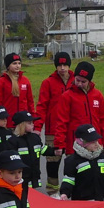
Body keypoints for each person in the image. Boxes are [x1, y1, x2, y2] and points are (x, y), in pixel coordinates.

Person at [54, 62, 104, 157]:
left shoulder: (97, 95)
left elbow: (103, 122)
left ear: (89, 81)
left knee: (97, 171)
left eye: (83, 82)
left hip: (95, 145)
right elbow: (61, 122)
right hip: (75, 145)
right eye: (77, 80)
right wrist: (59, 144)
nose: (79, 84)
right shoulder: (67, 96)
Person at [34, 52, 73, 192]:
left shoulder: (76, 80)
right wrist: (38, 127)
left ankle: (71, 191)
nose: (62, 68)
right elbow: (42, 106)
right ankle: (53, 191)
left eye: (65, 65)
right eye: (59, 65)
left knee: (73, 162)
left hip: (72, 129)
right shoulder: (48, 83)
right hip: (53, 129)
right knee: (53, 161)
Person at [8, 111, 51, 189]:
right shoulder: (13, 141)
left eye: (32, 122)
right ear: (22, 125)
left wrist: (55, 151)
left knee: (32, 196)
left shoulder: (35, 138)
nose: (33, 125)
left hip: (34, 174)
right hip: (21, 177)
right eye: (29, 123)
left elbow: (42, 149)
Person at [0, 53, 35, 128]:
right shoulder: (1, 82)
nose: (17, 65)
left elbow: (30, 102)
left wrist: (32, 119)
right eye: (14, 63)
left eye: (19, 63)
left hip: (23, 122)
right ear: (8, 66)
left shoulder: (25, 81)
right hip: (8, 122)